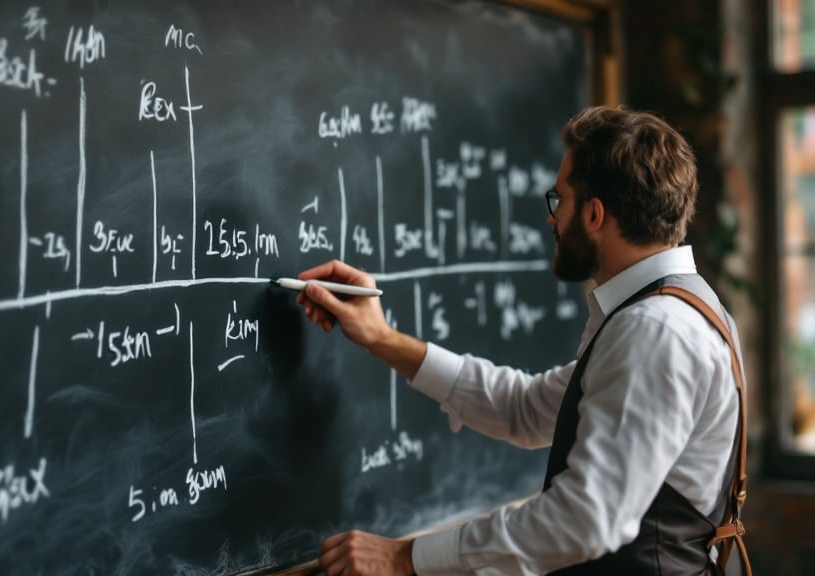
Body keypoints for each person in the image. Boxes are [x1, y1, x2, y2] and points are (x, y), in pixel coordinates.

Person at [296, 106, 749, 575]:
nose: (553, 220)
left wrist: (405, 558)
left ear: (594, 215)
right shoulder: (680, 312)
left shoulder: (654, 332)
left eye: (561, 201)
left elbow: (586, 518)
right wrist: (382, 338)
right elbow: (526, 408)